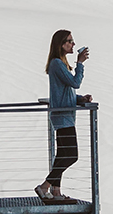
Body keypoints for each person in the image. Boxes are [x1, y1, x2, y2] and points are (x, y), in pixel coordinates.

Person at [38, 29, 91, 202]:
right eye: (69, 41)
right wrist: (80, 63)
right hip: (62, 116)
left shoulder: (60, 63)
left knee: (62, 155)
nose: (73, 44)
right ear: (61, 44)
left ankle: (56, 192)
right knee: (71, 155)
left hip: (64, 114)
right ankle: (45, 186)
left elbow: (65, 91)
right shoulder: (57, 64)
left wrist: (80, 99)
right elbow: (75, 83)